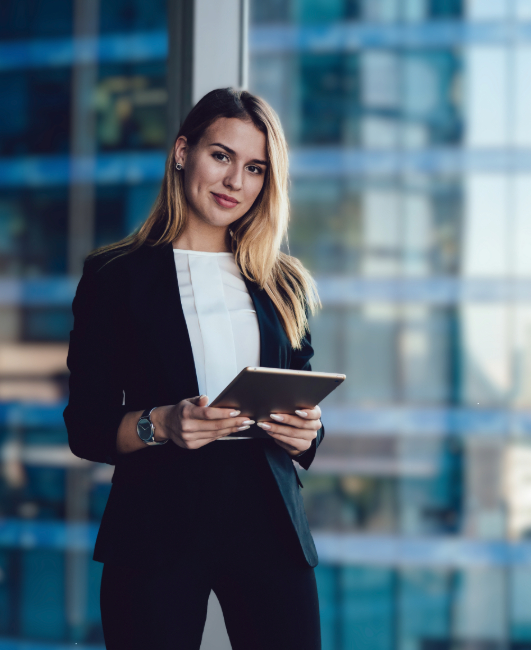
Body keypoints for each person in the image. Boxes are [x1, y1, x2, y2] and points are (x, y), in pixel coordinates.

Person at [63, 87, 325, 649]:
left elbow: (304, 403)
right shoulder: (114, 278)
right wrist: (160, 424)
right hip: (156, 529)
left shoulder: (283, 282)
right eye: (221, 156)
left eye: (255, 168)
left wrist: (308, 432)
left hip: (269, 529)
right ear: (183, 152)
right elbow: (85, 427)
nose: (236, 182)